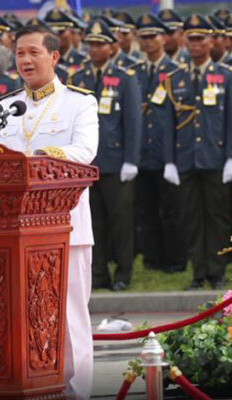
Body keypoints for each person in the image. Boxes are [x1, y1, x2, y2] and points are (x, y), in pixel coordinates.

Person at [0, 24, 98, 399]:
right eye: (19, 53)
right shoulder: (3, 108)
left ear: (54, 56)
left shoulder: (80, 102)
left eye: (33, 52)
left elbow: (84, 152)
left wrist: (34, 161)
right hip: (12, 232)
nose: (25, 60)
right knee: (19, 317)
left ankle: (77, 392)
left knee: (69, 317)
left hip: (66, 225)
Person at [67, 19, 142, 292]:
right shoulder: (78, 77)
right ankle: (97, 273)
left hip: (116, 160)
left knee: (121, 220)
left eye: (100, 45)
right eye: (91, 44)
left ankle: (123, 272)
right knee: (91, 220)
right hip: (87, 163)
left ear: (111, 47)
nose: (94, 50)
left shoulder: (125, 77)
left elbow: (133, 120)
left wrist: (131, 160)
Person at [169, 14, 232, 290]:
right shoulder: (175, 77)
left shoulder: (227, 76)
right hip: (186, 157)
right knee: (190, 218)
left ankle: (216, 271)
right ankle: (197, 272)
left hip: (216, 157)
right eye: (191, 39)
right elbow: (168, 123)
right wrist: (169, 161)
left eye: (201, 38)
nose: (196, 44)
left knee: (217, 216)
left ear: (211, 41)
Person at [132, 13, 185, 273]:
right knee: (146, 210)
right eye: (143, 37)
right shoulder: (136, 72)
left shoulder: (175, 72)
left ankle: (175, 260)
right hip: (143, 150)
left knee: (172, 210)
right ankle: (152, 260)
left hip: (167, 151)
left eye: (152, 36)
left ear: (163, 38)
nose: (147, 42)